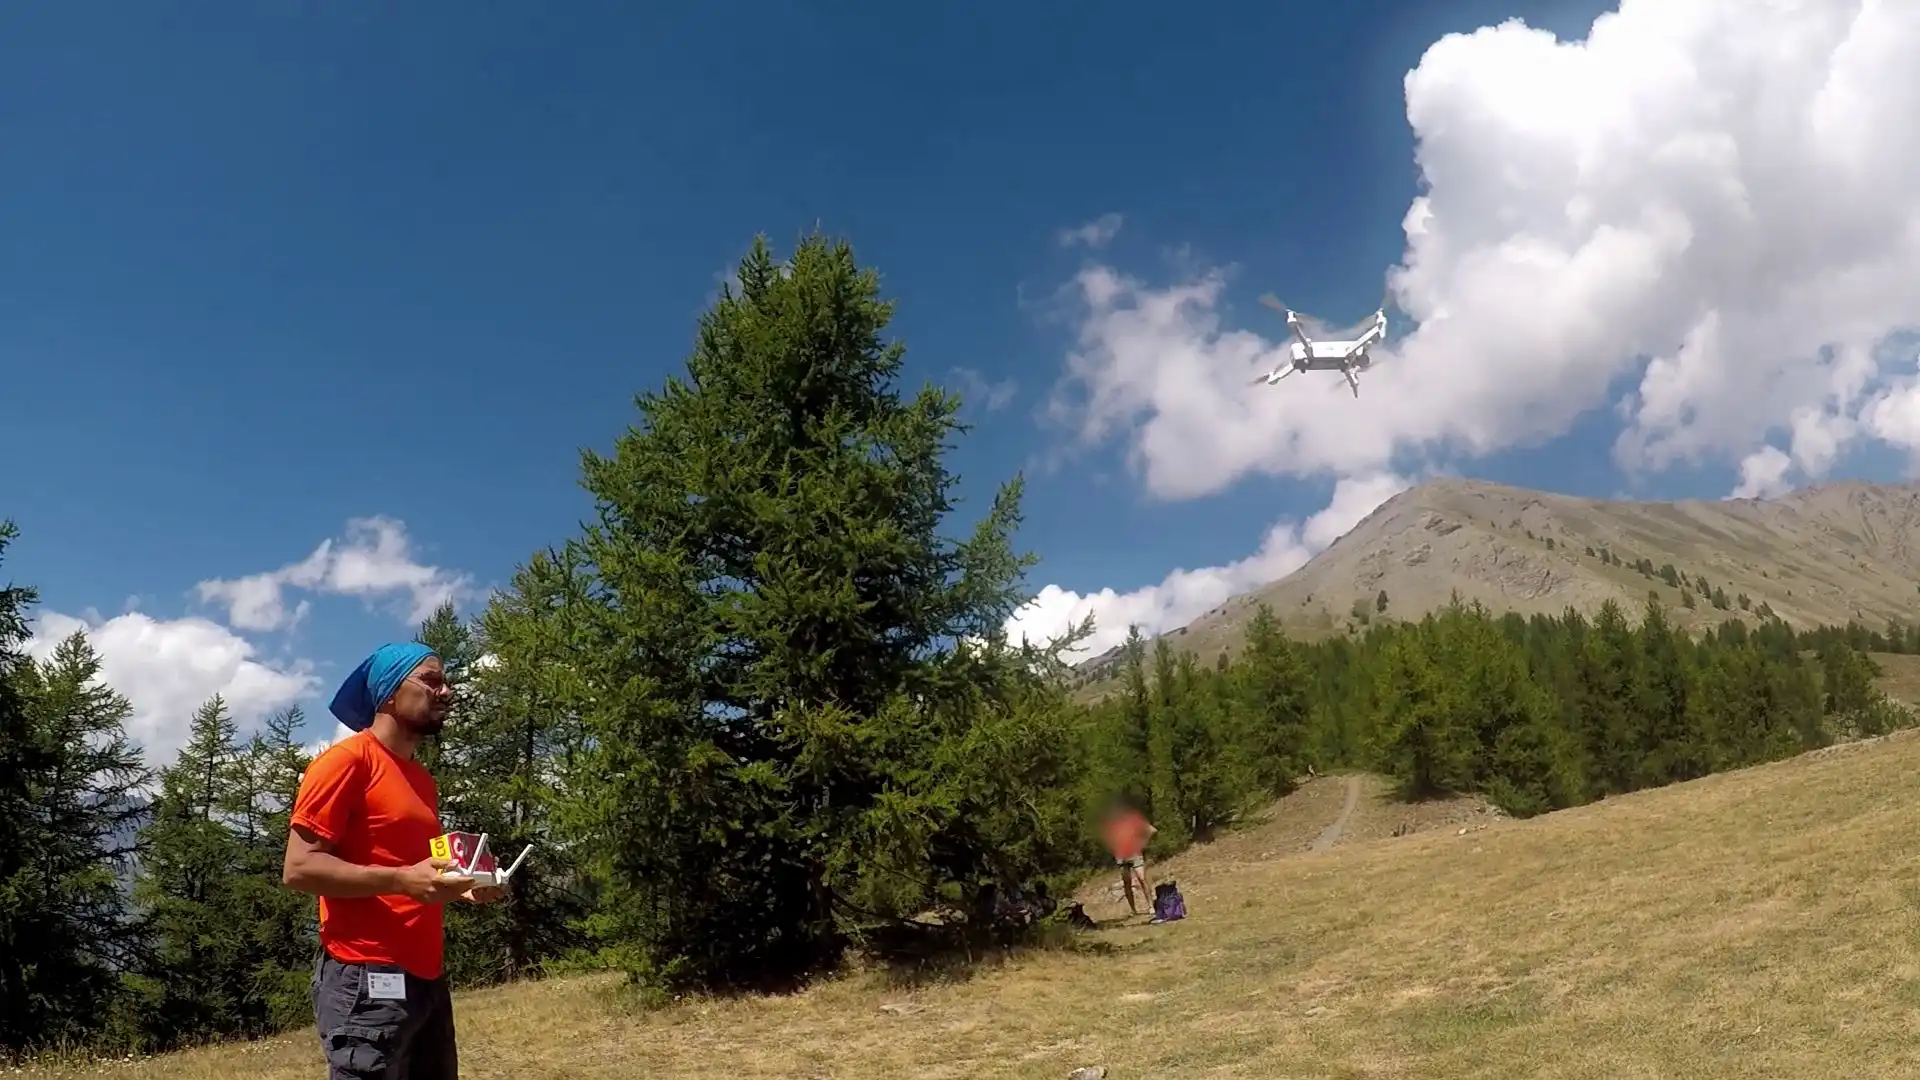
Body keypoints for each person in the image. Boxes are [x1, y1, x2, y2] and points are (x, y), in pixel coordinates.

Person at [282, 642, 504, 1080]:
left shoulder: (419, 778)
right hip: (364, 978)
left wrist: (468, 881)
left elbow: (418, 869)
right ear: (388, 693)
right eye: (432, 680)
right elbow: (300, 868)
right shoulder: (345, 763)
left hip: (426, 977)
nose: (447, 691)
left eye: (446, 681)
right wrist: (403, 880)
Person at [1101, 799, 1156, 916]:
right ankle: (1133, 910)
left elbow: (1151, 830)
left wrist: (1142, 843)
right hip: (1121, 855)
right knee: (1127, 882)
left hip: (1135, 853)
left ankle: (1151, 906)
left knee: (1142, 879)